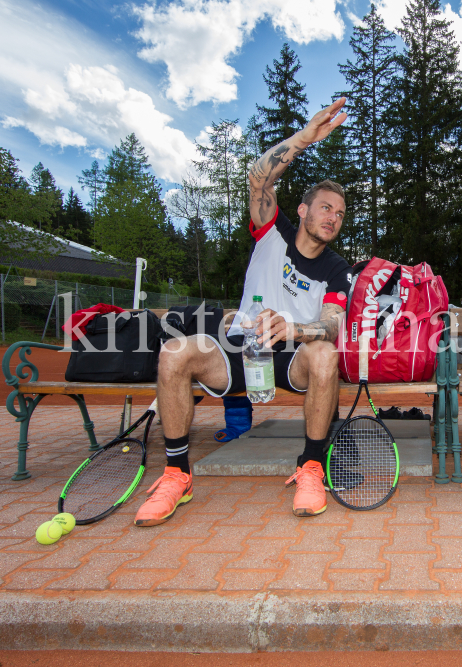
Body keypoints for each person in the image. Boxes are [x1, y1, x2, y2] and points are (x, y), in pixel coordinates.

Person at [134, 98, 352, 526]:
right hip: (240, 351)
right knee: (175, 352)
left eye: (340, 213)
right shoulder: (273, 231)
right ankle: (177, 474)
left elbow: (331, 325)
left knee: (326, 354)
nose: (333, 217)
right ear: (304, 210)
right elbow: (258, 177)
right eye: (326, 207)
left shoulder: (336, 268)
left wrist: (295, 329)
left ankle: (311, 467)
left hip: (291, 360)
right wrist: (305, 138)